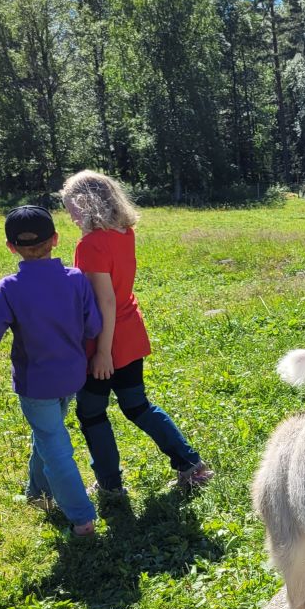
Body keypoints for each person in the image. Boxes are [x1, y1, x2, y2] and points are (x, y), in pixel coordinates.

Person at [61, 170, 213, 496]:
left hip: (105, 340)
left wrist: (102, 352)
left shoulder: (91, 245)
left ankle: (110, 486)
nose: (69, 215)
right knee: (137, 406)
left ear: (87, 203)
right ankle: (192, 466)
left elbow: (104, 302)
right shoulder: (123, 232)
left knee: (90, 412)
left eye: (70, 206)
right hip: (129, 333)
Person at [0, 205, 102, 536]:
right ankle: (39, 495)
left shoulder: (9, 287)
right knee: (45, 434)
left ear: (11, 247)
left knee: (54, 443)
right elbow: (94, 327)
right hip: (72, 376)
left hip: (36, 383)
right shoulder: (76, 279)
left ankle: (81, 518)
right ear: (56, 240)